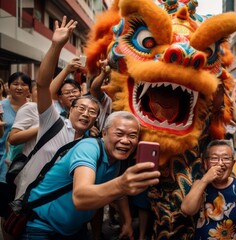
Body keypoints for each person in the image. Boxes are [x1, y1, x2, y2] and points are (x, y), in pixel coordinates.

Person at [19, 110, 160, 239]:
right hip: (41, 227)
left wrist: (127, 222)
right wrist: (121, 183)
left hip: (74, 230)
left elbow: (118, 195)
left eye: (132, 136)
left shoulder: (117, 160)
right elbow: (80, 198)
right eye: (119, 133)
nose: (125, 140)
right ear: (104, 133)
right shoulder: (89, 147)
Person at [14, 16, 100, 199]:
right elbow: (44, 85)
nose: (86, 113)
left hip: (61, 215)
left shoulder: (90, 144)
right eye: (81, 108)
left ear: (95, 120)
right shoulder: (53, 122)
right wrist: (56, 46)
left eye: (92, 112)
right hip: (28, 207)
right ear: (69, 110)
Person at [181, 140, 236, 240]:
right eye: (214, 158)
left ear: (233, 163)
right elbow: (187, 209)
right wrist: (205, 180)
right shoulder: (200, 184)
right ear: (205, 163)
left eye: (226, 158)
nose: (220, 163)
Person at [0, 72, 31, 182]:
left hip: (27, 163)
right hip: (3, 162)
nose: (19, 87)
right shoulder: (1, 106)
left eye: (23, 84)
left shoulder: (34, 108)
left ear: (29, 88)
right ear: (8, 87)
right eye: (15, 84)